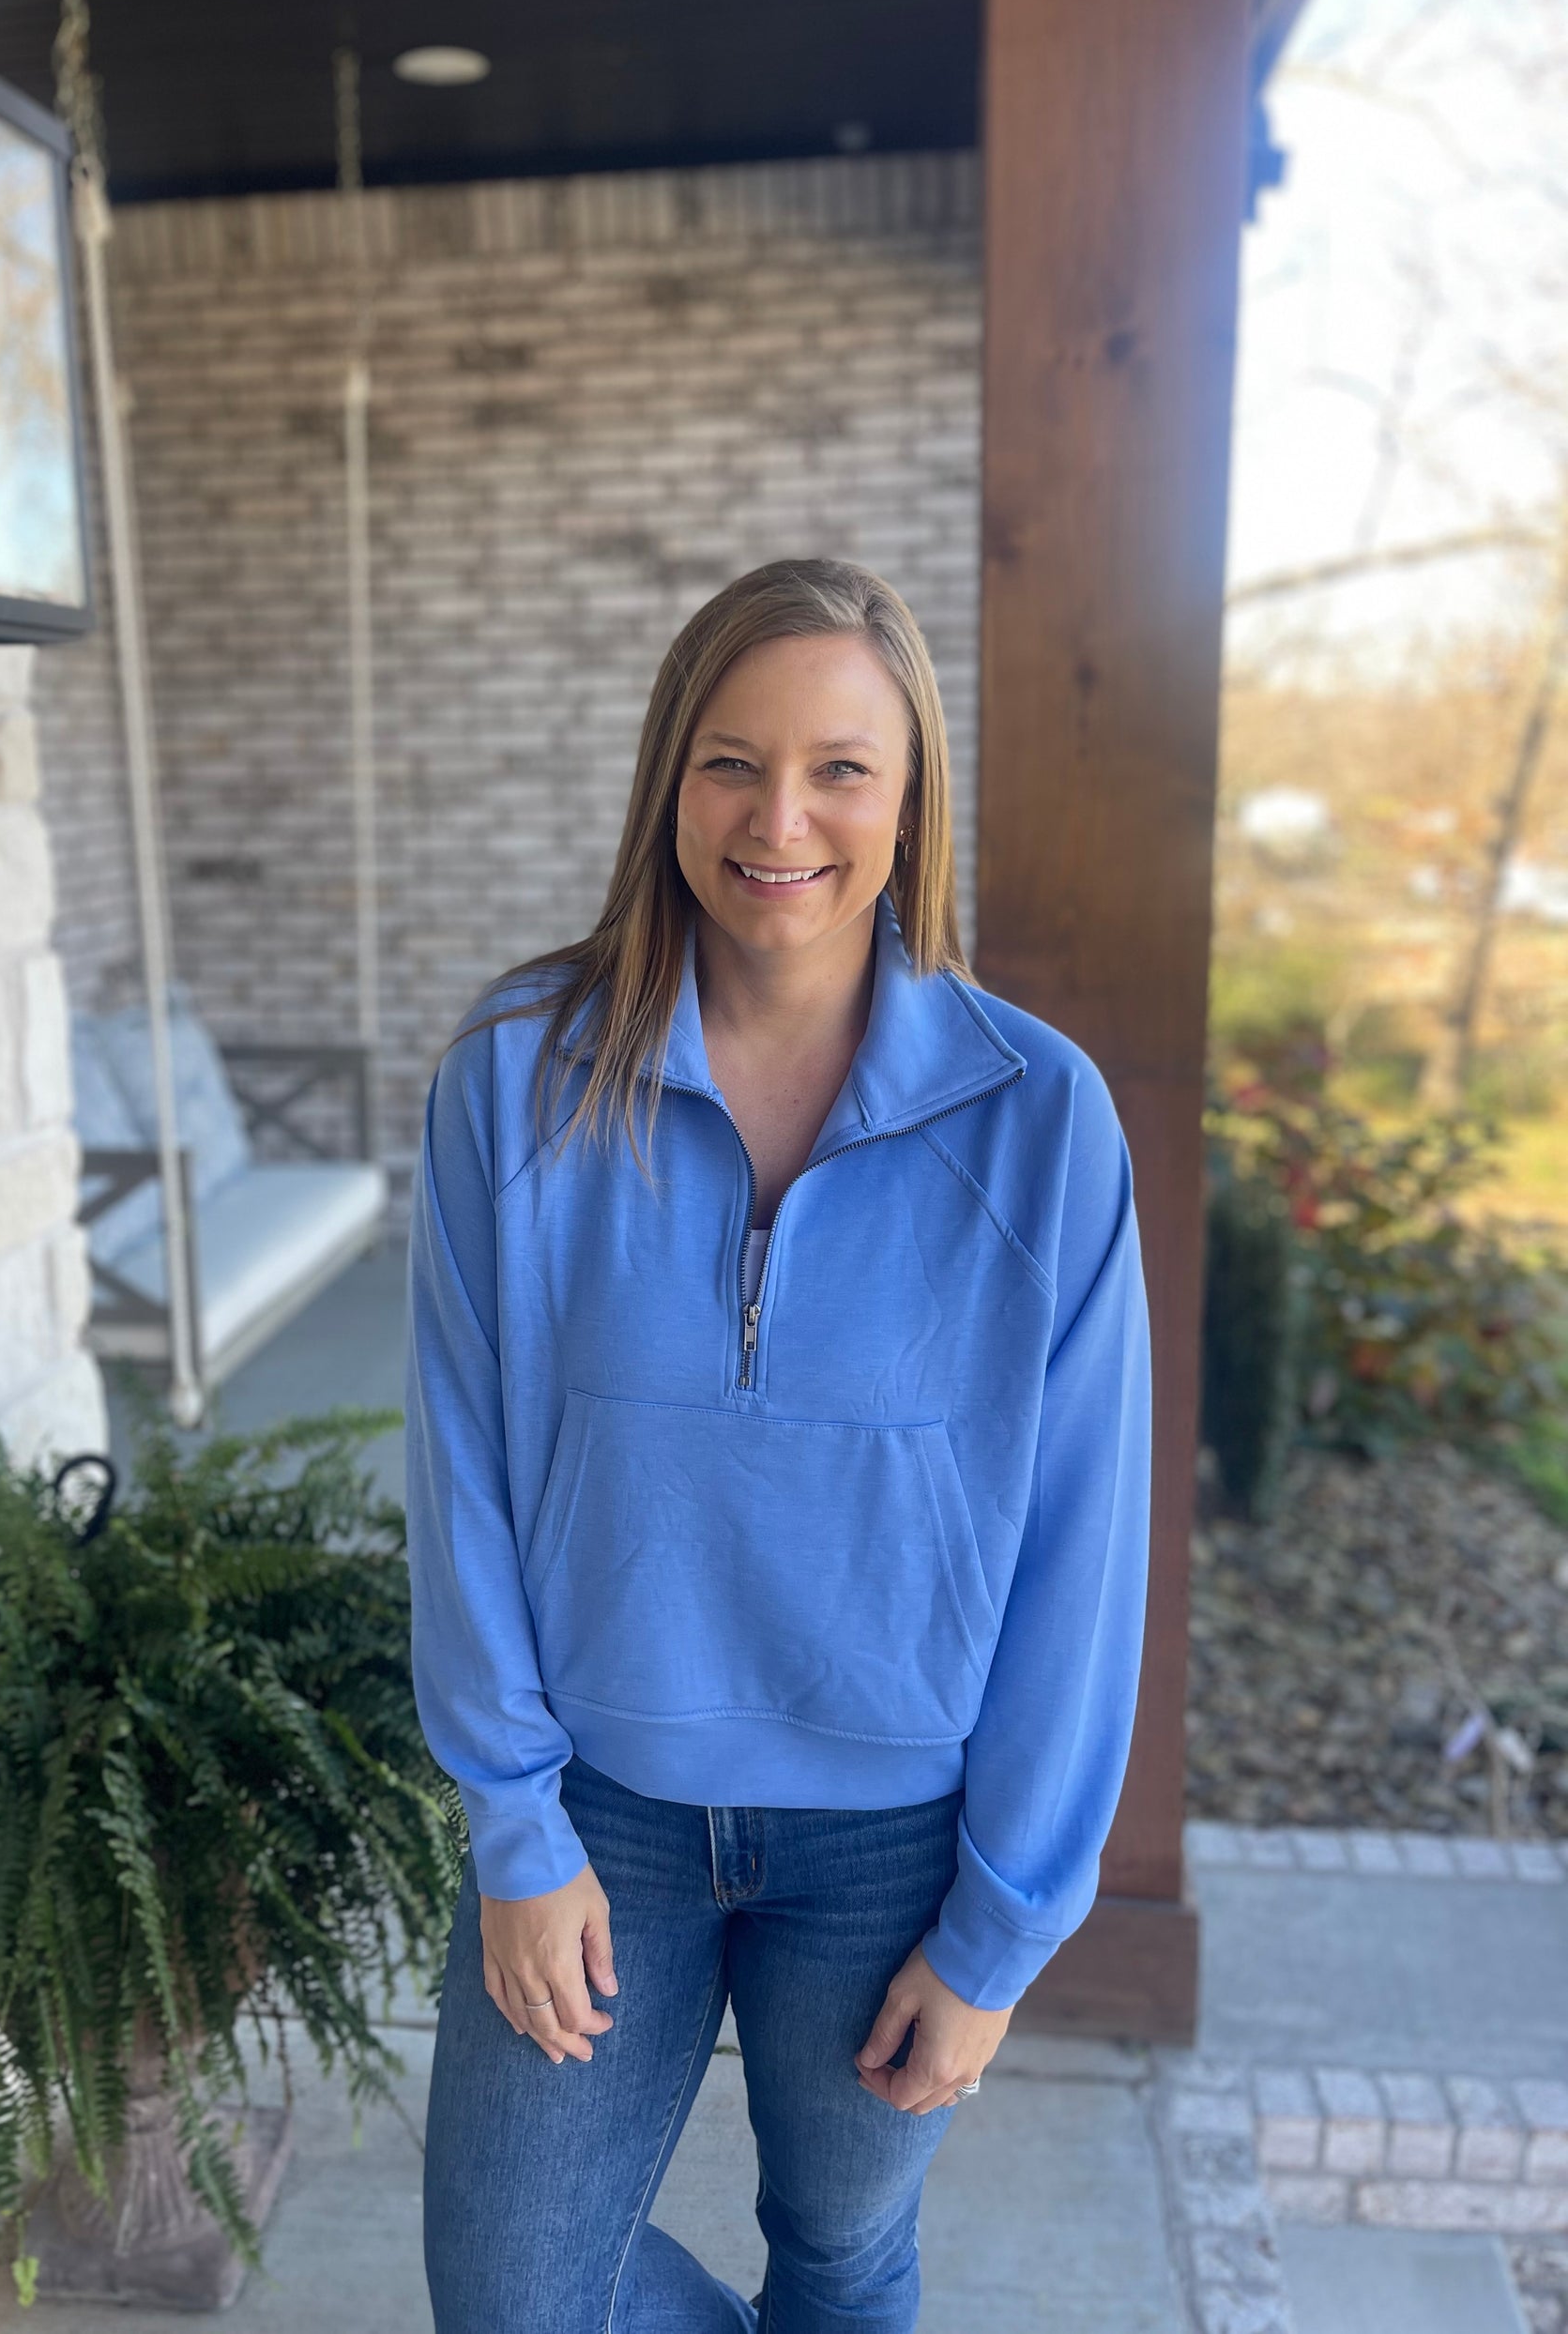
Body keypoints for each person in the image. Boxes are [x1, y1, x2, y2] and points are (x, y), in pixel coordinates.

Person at [403, 557, 1153, 2333]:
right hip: (600, 1813)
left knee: (838, 2256)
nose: (780, 820)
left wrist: (1001, 1928)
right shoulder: (514, 1079)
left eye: (840, 770)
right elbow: (458, 1467)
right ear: (669, 780)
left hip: (895, 1840)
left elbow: (1082, 1544)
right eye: (731, 763)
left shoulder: (1040, 1117)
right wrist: (514, 1824)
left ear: (910, 801)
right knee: (514, 2295)